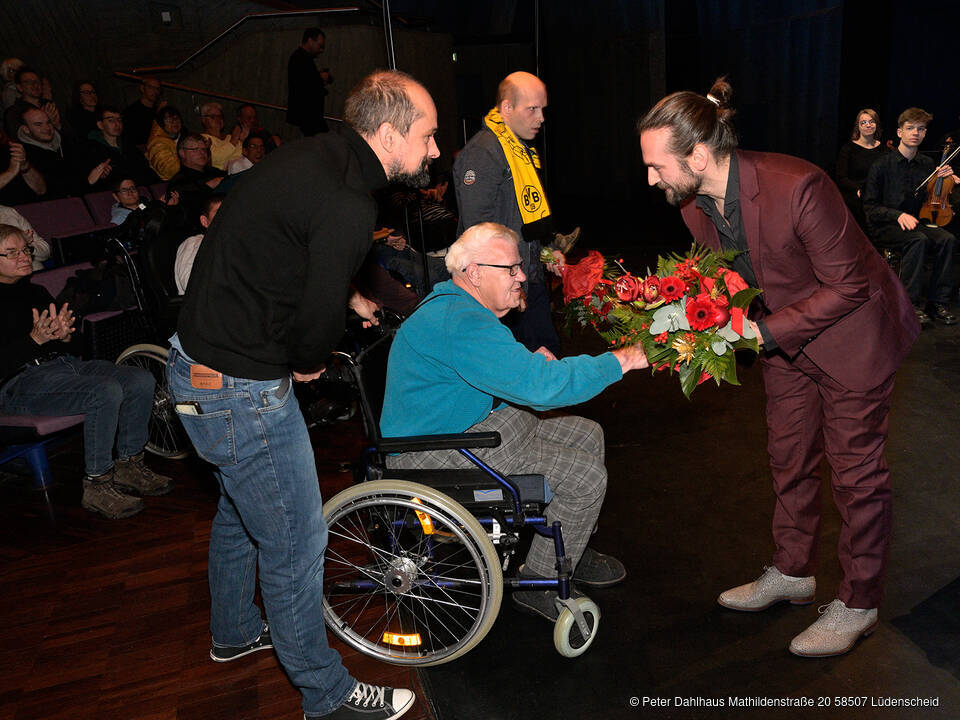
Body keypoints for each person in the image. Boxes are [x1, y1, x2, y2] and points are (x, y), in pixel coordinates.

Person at [165, 69, 440, 720]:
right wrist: (308, 359)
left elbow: (284, 241)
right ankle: (329, 696)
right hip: (240, 387)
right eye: (427, 136)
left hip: (197, 366)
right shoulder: (350, 201)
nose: (434, 151)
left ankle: (233, 632)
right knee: (295, 542)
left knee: (243, 510)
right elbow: (315, 326)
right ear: (390, 131)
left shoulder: (316, 154)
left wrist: (346, 292)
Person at [638, 77, 920, 658]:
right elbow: (730, 278)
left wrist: (759, 332)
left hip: (853, 341)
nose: (650, 179)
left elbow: (850, 285)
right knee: (787, 454)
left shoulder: (800, 186)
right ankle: (793, 572)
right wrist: (680, 314)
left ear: (698, 154)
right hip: (786, 343)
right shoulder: (693, 204)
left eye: (656, 165)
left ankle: (860, 603)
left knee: (856, 475)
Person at [381, 221, 648, 619]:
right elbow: (541, 390)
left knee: (587, 432)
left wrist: (527, 369)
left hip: (462, 429)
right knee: (587, 476)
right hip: (430, 453)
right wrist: (621, 360)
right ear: (474, 272)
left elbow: (495, 372)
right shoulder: (463, 323)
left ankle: (569, 546)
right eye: (510, 268)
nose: (521, 275)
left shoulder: (459, 307)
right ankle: (539, 584)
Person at [0, 225, 172, 519]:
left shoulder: (37, 291)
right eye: (12, 253)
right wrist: (34, 341)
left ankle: (129, 464)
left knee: (139, 378)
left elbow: (73, 343)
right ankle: (97, 483)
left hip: (62, 367)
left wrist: (66, 336)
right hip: (18, 384)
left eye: (26, 250)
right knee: (103, 391)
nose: (24, 257)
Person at [453, 71, 573, 357]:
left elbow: (525, 216)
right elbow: (477, 232)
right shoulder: (483, 153)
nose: (541, 118)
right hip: (503, 288)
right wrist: (509, 285)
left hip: (527, 279)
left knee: (547, 359)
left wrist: (547, 251)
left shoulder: (518, 150)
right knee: (526, 371)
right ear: (506, 108)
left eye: (542, 109)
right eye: (532, 109)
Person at [862, 107, 958, 326]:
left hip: (916, 223)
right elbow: (870, 207)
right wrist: (897, 215)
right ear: (899, 133)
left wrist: (945, 180)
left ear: (925, 134)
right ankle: (909, 304)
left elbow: (932, 196)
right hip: (885, 224)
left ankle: (937, 302)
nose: (916, 132)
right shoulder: (881, 165)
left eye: (921, 129)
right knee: (919, 240)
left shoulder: (927, 164)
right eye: (910, 128)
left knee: (947, 239)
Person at [74, 106, 158, 192]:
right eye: (111, 120)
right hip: (111, 195)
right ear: (100, 125)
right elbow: (85, 182)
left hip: (138, 190)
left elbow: (145, 170)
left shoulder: (129, 146)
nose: (117, 124)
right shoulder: (90, 150)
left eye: (119, 120)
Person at [835, 108, 886, 229]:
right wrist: (858, 189)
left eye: (872, 121)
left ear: (876, 125)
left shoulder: (884, 150)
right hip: (855, 194)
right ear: (858, 126)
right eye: (863, 122)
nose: (868, 125)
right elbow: (841, 178)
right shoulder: (848, 149)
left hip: (878, 193)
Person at [287, 27, 332, 136]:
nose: (321, 50)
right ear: (310, 41)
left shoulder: (302, 58)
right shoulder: (299, 58)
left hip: (308, 115)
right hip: (307, 115)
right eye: (320, 46)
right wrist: (320, 78)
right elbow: (304, 85)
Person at [18, 106, 71, 198]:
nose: (46, 128)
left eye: (48, 122)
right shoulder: (22, 154)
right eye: (38, 124)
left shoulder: (65, 142)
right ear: (26, 129)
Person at [174, 193, 222, 294]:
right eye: (219, 213)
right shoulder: (194, 243)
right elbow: (191, 284)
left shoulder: (236, 243)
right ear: (205, 221)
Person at [198, 102, 242, 171]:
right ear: (203, 120)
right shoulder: (201, 138)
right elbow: (214, 158)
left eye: (220, 116)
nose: (218, 119)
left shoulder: (230, 137)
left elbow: (241, 155)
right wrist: (233, 142)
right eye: (213, 117)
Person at [122, 77, 164, 146]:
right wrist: (157, 115)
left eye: (157, 89)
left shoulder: (158, 109)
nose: (155, 91)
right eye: (151, 87)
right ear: (142, 88)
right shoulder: (131, 111)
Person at [146, 106, 183, 180]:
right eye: (169, 120)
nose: (174, 122)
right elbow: (170, 170)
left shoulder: (187, 137)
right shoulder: (157, 144)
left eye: (176, 118)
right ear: (161, 124)